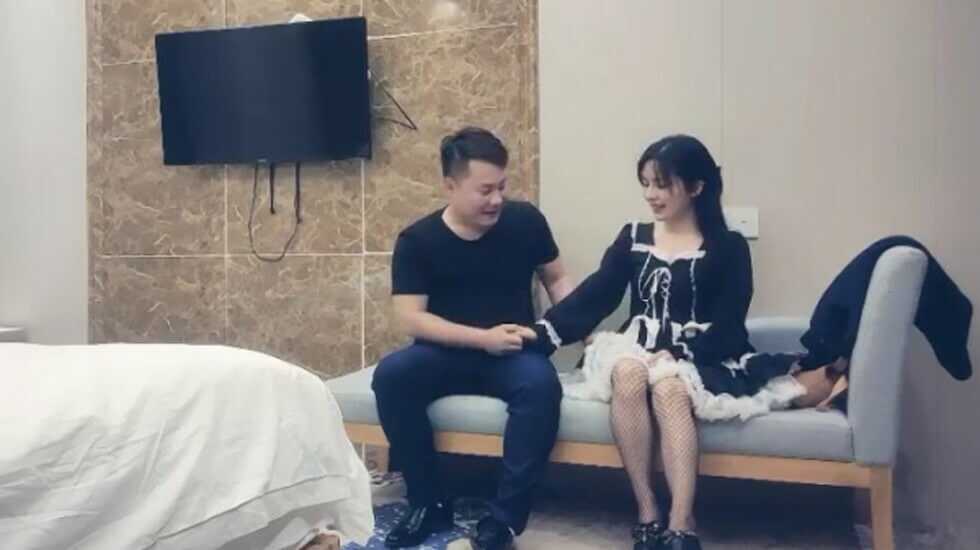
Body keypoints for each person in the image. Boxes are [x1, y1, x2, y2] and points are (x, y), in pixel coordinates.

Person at [525, 135, 845, 550]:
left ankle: (681, 521)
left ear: (695, 187)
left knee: (671, 387)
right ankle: (646, 511)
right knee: (627, 372)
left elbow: (730, 323)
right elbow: (596, 296)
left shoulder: (728, 247)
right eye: (646, 183)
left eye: (662, 184)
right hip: (637, 348)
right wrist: (541, 334)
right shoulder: (633, 237)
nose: (650, 194)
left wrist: (680, 353)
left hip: (702, 353)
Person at [371, 127, 575, 550]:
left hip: (513, 352)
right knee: (392, 375)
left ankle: (504, 521)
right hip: (445, 352)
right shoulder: (418, 240)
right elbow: (411, 318)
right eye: (485, 190)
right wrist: (482, 339)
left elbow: (557, 278)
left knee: (541, 385)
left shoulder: (525, 221)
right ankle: (427, 501)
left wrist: (579, 331)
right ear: (450, 186)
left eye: (502, 187)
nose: (497, 199)